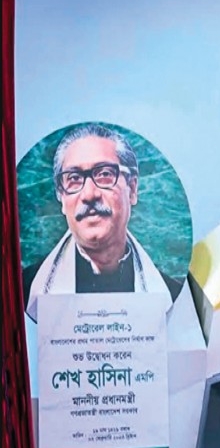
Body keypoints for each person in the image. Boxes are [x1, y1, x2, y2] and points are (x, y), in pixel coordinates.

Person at [22, 123, 181, 321]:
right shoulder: (23, 293)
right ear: (61, 197)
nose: (89, 194)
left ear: (132, 189)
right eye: (74, 178)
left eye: (105, 174)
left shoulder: (170, 296)